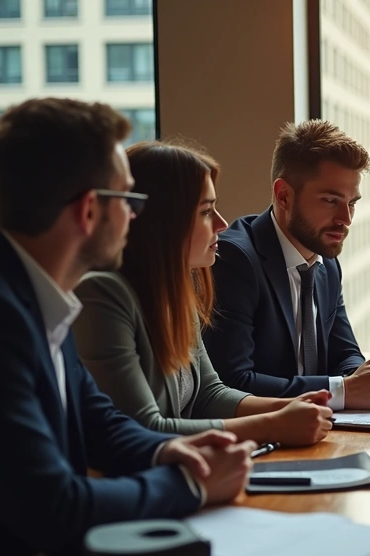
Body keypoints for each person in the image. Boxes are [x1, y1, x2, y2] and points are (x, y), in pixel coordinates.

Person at [0, 99, 255, 556]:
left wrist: (168, 450)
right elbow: (56, 509)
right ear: (89, 211)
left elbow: (97, 417)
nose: (136, 216)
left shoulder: (27, 291)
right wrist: (191, 486)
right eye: (129, 199)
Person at [72, 141, 333, 446]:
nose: (222, 224)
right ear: (164, 221)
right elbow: (144, 428)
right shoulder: (101, 296)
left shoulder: (177, 290)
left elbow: (209, 394)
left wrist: (289, 407)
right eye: (207, 211)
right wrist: (271, 426)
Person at [203, 120, 370, 410]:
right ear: (284, 195)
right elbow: (232, 381)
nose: (345, 219)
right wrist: (342, 391)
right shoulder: (236, 260)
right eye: (330, 200)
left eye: (352, 203)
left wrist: (363, 377)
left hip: (317, 427)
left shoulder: (326, 262)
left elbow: (343, 352)